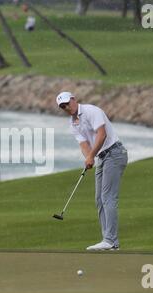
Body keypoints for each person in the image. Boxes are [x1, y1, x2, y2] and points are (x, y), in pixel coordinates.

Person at [56, 92, 128, 251]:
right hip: (102, 157)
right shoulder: (73, 124)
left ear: (74, 99)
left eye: (67, 103)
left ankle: (110, 240)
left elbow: (102, 135)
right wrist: (89, 157)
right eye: (62, 107)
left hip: (115, 153)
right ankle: (110, 242)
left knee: (108, 197)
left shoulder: (91, 111)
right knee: (99, 199)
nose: (66, 107)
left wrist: (91, 155)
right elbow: (83, 145)